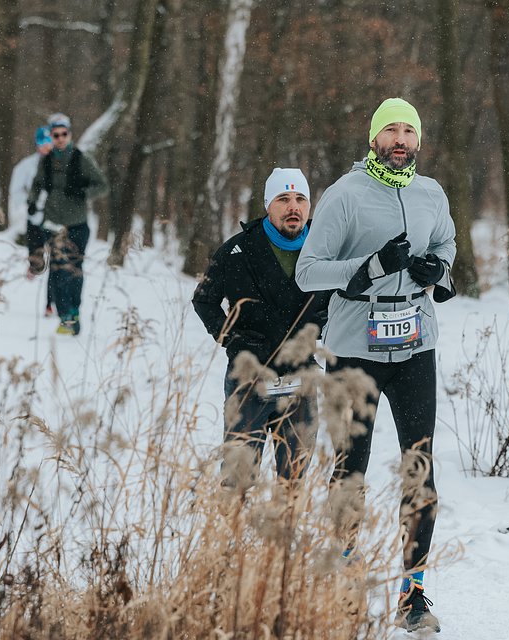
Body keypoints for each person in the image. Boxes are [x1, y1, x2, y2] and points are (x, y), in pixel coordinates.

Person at [294, 98, 456, 633]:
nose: (401, 138)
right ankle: (345, 585)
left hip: (415, 345)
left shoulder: (431, 192)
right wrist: (367, 268)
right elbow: (308, 272)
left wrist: (440, 270)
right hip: (353, 347)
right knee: (350, 470)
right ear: (374, 138)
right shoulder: (345, 194)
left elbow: (447, 244)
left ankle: (414, 595)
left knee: (420, 467)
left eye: (409, 129)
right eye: (391, 129)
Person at [192, 168, 330, 486]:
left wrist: (320, 329)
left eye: (300, 199)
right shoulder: (236, 250)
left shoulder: (324, 251)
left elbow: (339, 301)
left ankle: (283, 535)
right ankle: (233, 533)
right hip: (249, 378)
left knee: (293, 479)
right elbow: (204, 300)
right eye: (283, 199)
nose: (293, 206)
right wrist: (233, 339)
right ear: (268, 204)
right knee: (237, 480)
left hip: (301, 378)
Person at [27, 113, 108, 336]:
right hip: (53, 223)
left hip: (77, 224)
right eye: (56, 135)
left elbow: (102, 185)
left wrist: (84, 192)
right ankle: (65, 317)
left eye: (64, 134)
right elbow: (37, 184)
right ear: (51, 136)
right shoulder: (47, 161)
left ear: (70, 135)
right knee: (56, 271)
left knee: (74, 270)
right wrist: (32, 202)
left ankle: (74, 311)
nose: (60, 138)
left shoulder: (81, 158)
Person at [24, 125, 56, 316]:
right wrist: (29, 203)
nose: (46, 146)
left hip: (55, 219)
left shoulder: (62, 164)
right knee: (37, 258)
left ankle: (49, 304)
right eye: (42, 142)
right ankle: (33, 267)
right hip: (34, 218)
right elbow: (17, 190)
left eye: (48, 142)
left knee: (56, 262)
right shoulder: (27, 165)